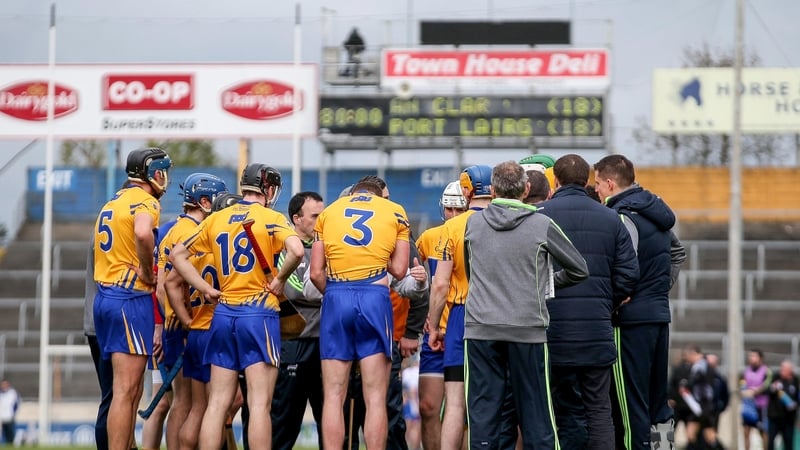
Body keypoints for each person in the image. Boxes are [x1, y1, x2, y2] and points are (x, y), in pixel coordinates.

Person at [168, 164, 304, 450]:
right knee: (258, 404)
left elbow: (177, 254)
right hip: (258, 312)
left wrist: (205, 289)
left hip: (224, 313)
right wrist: (280, 279)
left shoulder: (217, 218)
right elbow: (297, 250)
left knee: (216, 404)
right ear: (266, 189)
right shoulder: (270, 217)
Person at [462, 160, 589, 449]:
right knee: (537, 419)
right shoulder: (541, 224)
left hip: (481, 330)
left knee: (483, 419)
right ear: (527, 188)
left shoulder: (473, 223)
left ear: (492, 190)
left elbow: (472, 272)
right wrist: (546, 285)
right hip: (527, 329)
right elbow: (579, 268)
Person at [537, 154, 639, 450]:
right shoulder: (611, 218)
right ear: (586, 182)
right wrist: (607, 301)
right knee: (598, 411)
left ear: (555, 181)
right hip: (597, 332)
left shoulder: (539, 216)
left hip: (552, 332)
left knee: (559, 410)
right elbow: (629, 275)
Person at [309, 177, 411, 449]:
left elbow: (316, 272)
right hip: (374, 296)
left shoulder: (329, 212)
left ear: (353, 193)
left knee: (333, 394)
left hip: (336, 295)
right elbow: (400, 270)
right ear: (379, 196)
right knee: (375, 396)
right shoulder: (395, 211)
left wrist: (331, 294)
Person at [593, 154, 682, 450]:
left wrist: (620, 297)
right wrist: (658, 289)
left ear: (609, 183)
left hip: (630, 321)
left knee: (631, 408)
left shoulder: (622, 216)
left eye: (597, 185)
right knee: (659, 404)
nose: (596, 191)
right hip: (658, 315)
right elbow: (678, 254)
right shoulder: (657, 215)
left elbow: (625, 269)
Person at [93, 147, 172, 450]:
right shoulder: (145, 201)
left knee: (127, 389)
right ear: (153, 173)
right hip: (128, 298)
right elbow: (142, 234)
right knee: (126, 390)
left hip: (106, 297)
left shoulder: (113, 201)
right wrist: (146, 271)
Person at [157, 173, 228, 450]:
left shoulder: (174, 229)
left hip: (182, 323)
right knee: (196, 404)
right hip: (195, 324)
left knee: (190, 404)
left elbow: (164, 285)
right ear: (205, 202)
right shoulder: (192, 232)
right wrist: (186, 319)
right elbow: (171, 285)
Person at [427, 165, 494, 450]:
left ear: (466, 191)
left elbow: (440, 285)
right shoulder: (508, 218)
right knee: (495, 399)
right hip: (497, 314)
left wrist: (433, 324)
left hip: (460, 315)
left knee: (454, 402)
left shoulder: (452, 227)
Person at [270, 191, 326, 450]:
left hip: (326, 344)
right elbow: (296, 291)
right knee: (284, 424)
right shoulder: (287, 250)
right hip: (295, 344)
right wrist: (330, 289)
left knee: (329, 422)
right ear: (297, 218)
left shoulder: (326, 246)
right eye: (315, 216)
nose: (321, 220)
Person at [415, 181, 467, 450]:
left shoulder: (476, 231)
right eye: (449, 208)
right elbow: (412, 277)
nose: (453, 214)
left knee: (465, 409)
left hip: (464, 328)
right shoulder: (429, 238)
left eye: (459, 208)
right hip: (435, 333)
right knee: (428, 406)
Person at [740, 349, 772, 450]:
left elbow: (766, 385)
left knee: (763, 432)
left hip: (761, 406)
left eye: (754, 356)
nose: (751, 358)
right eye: (750, 356)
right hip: (748, 406)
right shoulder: (746, 371)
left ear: (760, 358)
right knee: (746, 432)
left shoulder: (766, 371)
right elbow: (742, 384)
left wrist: (755, 392)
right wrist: (743, 391)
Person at [766, 360, 799, 450]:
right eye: (782, 368)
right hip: (775, 416)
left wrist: (795, 405)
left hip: (789, 418)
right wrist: (773, 387)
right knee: (771, 440)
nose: (782, 371)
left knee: (788, 441)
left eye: (785, 369)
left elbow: (797, 397)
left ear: (790, 370)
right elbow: (767, 391)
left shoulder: (795, 380)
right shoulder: (775, 377)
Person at [402, 357, 422, 450]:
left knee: (410, 428)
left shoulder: (408, 372)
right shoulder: (411, 372)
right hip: (413, 402)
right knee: (413, 427)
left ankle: (410, 447)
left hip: (412, 402)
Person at [0, 380, 19, 446]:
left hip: (9, 416)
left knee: (10, 433)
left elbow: (16, 404)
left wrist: (13, 413)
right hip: (1, 417)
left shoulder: (12, 393)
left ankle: (10, 445)